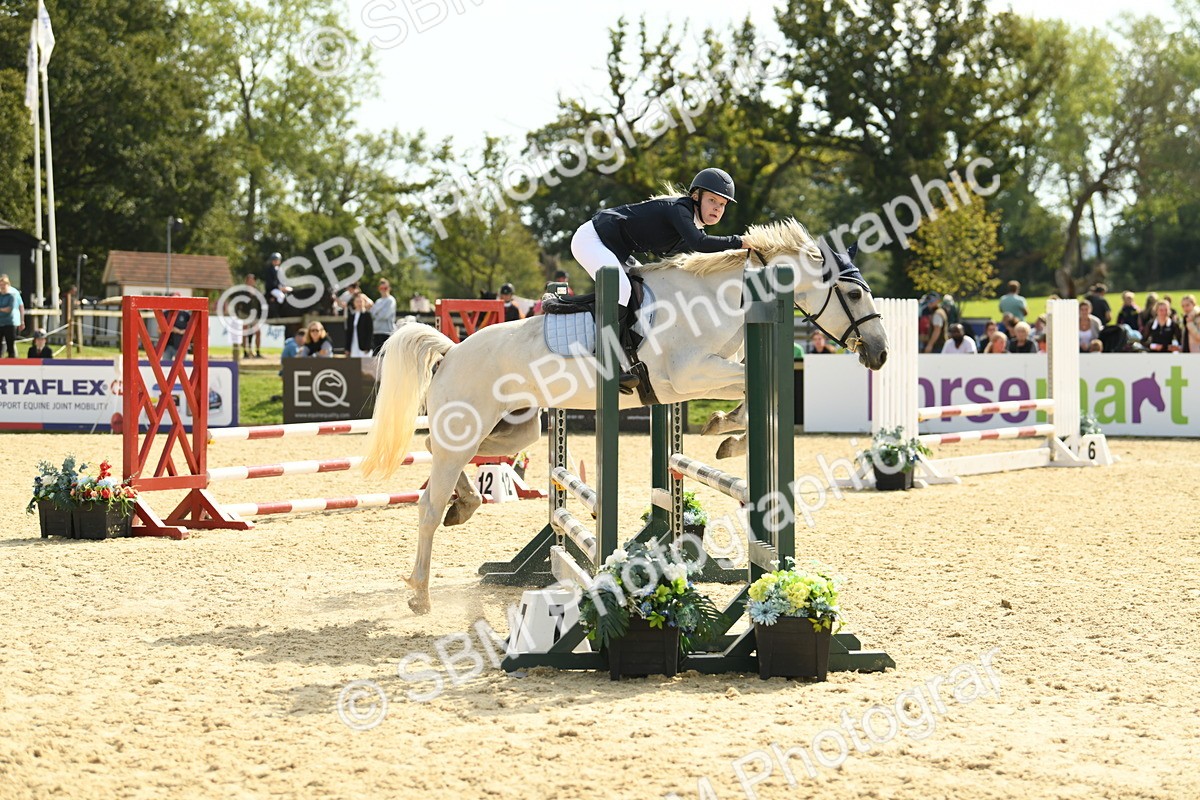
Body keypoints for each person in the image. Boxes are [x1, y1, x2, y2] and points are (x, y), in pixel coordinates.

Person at [571, 167, 743, 313]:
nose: (717, 208)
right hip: (592, 239)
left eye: (722, 204)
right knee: (621, 290)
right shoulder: (680, 210)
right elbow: (701, 243)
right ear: (696, 197)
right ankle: (605, 347)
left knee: (647, 289)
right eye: (712, 200)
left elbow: (701, 253)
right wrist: (740, 241)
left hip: (615, 248)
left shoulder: (691, 226)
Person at [0, 273, 24, 358]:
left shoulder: (13, 294)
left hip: (10, 323)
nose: (2, 286)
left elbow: (11, 309)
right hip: (0, 323)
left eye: (4, 284)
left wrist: (22, 321)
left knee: (11, 345)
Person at [262, 252, 292, 318]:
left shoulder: (280, 270)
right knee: (281, 296)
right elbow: (270, 282)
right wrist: (280, 288)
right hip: (272, 289)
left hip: (280, 287)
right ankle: (278, 312)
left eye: (277, 260)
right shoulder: (269, 270)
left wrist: (284, 286)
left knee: (291, 290)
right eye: (274, 260)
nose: (276, 261)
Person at [371, 279, 397, 353]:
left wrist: (376, 312)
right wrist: (377, 313)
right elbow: (372, 314)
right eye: (381, 288)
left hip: (387, 332)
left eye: (385, 288)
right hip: (376, 332)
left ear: (389, 288)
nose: (383, 290)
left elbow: (384, 315)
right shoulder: (378, 301)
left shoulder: (391, 300)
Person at [240, 273, 263, 357]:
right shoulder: (242, 291)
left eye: (252, 280)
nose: (250, 282)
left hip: (254, 314)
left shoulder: (257, 291)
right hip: (245, 314)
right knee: (245, 332)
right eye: (249, 280)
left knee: (258, 333)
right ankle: (245, 352)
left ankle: (258, 352)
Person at [345, 292, 374, 357]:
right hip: (354, 346)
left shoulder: (367, 315)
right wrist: (347, 348)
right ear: (354, 303)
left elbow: (370, 332)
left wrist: (368, 347)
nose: (359, 303)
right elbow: (349, 332)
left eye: (361, 301)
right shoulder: (351, 316)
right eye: (357, 301)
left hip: (364, 347)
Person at [163, 294, 191, 361]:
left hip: (181, 345)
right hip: (167, 345)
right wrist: (171, 329)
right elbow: (158, 329)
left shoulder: (185, 315)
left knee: (181, 366)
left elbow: (191, 329)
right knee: (165, 365)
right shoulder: (165, 314)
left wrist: (180, 331)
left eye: (177, 300)